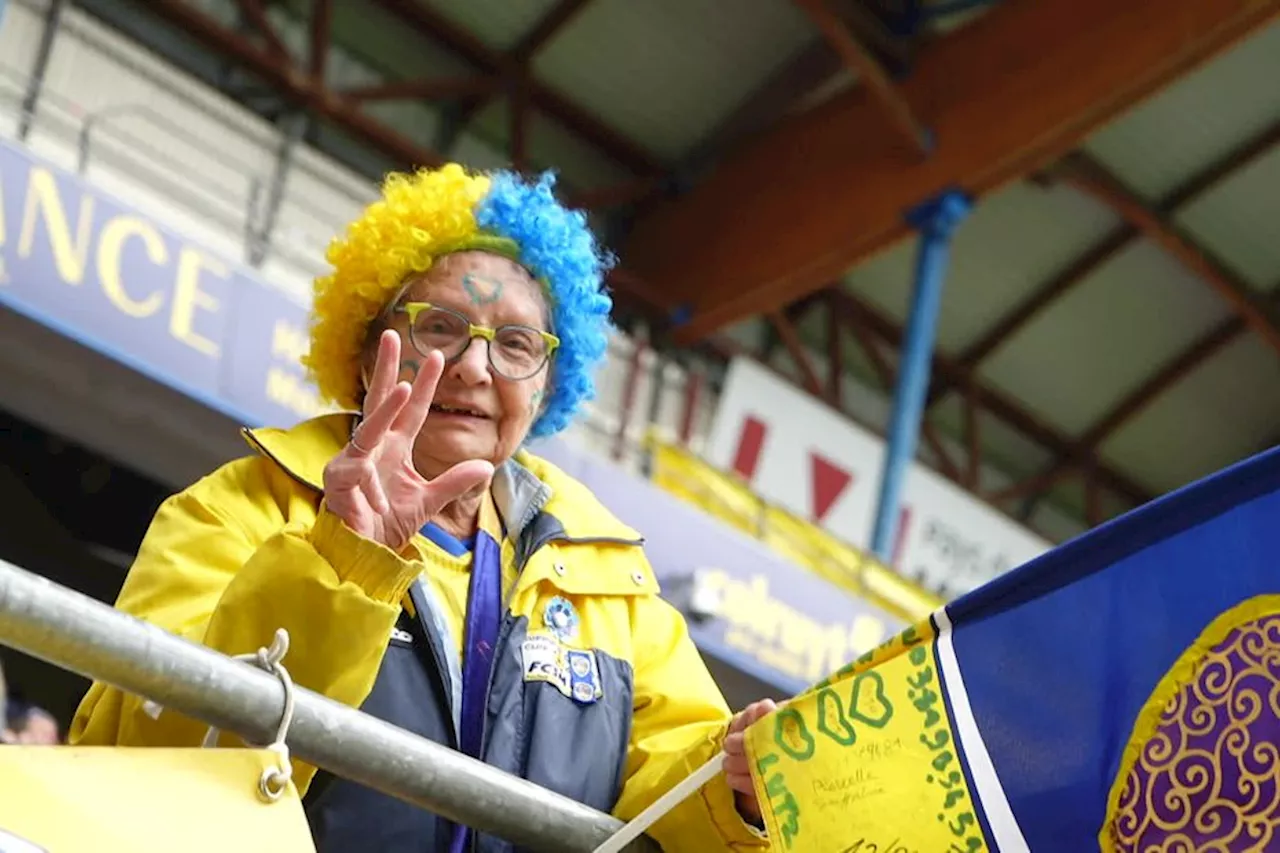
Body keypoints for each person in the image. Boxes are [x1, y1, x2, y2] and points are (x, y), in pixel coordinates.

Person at [70, 164, 776, 852]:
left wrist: (737, 786)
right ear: (362, 352)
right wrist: (340, 562)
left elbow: (677, 794)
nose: (474, 365)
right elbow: (138, 749)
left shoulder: (611, 585)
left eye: (516, 343)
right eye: (438, 326)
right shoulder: (237, 509)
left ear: (545, 387)